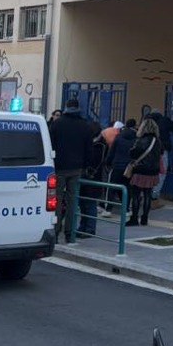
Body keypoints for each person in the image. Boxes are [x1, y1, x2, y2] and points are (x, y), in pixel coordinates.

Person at [47, 97, 100, 243]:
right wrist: (86, 166)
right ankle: (70, 233)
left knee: (57, 201)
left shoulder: (57, 124)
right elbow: (89, 149)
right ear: (78, 108)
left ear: (66, 107)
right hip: (77, 169)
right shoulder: (85, 126)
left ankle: (55, 232)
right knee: (72, 202)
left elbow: (50, 144)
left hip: (59, 168)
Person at [127, 117, 164, 227]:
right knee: (148, 194)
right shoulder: (158, 141)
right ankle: (145, 218)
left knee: (136, 195)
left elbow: (133, 153)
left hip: (140, 170)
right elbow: (161, 153)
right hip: (153, 171)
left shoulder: (141, 140)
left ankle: (134, 218)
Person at [109, 120, 137, 213]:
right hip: (129, 167)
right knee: (127, 188)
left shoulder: (118, 137)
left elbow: (112, 152)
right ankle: (126, 209)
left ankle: (108, 208)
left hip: (117, 165)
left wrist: (108, 162)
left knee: (112, 187)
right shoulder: (136, 139)